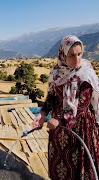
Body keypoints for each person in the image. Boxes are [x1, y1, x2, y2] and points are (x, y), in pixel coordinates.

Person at [33, 35, 99, 179]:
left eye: (79, 54)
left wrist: (60, 119)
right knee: (60, 165)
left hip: (80, 126)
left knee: (79, 165)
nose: (77, 59)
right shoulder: (56, 73)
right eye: (72, 55)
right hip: (59, 130)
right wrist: (43, 114)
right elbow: (51, 97)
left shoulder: (85, 72)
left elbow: (83, 102)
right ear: (63, 55)